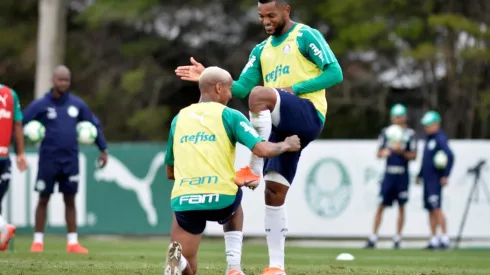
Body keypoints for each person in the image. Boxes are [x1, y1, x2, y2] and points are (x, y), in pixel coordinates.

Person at [175, 1, 343, 273]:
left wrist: (293, 89)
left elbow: (335, 73)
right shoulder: (260, 50)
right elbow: (239, 88)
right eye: (261, 16)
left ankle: (253, 167)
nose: (265, 21)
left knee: (260, 95)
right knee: (274, 191)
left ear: (287, 10)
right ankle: (276, 267)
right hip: (282, 127)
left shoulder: (305, 35)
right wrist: (206, 77)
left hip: (309, 114)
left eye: (271, 15)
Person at [163, 66, 301, 275]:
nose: (230, 95)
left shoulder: (179, 119)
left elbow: (170, 172)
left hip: (185, 201)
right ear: (219, 88)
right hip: (221, 200)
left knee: (190, 263)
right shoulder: (230, 116)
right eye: (229, 90)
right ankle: (233, 268)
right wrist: (286, 144)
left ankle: (181, 263)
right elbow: (261, 149)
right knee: (235, 201)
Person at [23, 65, 109, 253]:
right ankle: (37, 241)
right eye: (60, 79)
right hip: (48, 160)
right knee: (43, 198)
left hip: (70, 161)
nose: (63, 83)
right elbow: (21, 121)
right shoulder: (41, 105)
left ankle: (72, 242)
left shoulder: (77, 105)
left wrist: (103, 149)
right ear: (53, 80)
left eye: (67, 80)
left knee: (70, 200)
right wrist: (23, 141)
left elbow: (94, 125)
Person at [365, 104, 417, 249]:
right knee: (381, 205)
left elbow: (414, 155)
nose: (396, 119)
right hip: (389, 174)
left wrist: (400, 151)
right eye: (394, 116)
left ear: (405, 117)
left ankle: (397, 238)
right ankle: (373, 237)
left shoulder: (410, 134)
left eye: (399, 116)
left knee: (401, 206)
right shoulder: (386, 132)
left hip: (402, 175)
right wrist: (384, 153)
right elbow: (378, 153)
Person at [417, 110, 454, 250]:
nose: (426, 128)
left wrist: (445, 174)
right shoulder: (429, 139)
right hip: (427, 179)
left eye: (428, 125)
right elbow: (425, 160)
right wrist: (420, 175)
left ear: (436, 124)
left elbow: (450, 156)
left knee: (437, 208)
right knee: (430, 209)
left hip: (435, 179)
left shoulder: (440, 138)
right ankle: (433, 239)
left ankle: (444, 238)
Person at [0, 84, 28, 250]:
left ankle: (3, 227)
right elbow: (17, 124)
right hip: (4, 157)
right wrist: (20, 153)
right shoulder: (10, 93)